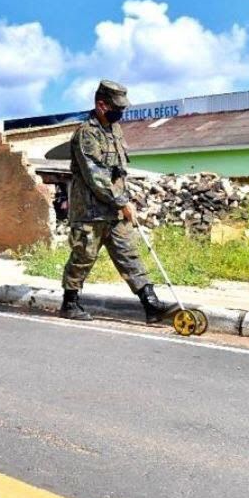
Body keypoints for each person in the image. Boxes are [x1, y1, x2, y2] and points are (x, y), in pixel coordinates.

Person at [59, 80, 177, 323]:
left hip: (114, 213)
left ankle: (151, 305)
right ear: (101, 105)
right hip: (90, 213)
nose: (121, 113)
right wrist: (122, 201)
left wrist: (125, 200)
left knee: (129, 255)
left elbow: (118, 173)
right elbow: (97, 177)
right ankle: (70, 303)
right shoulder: (86, 134)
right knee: (83, 258)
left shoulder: (115, 131)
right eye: (117, 108)